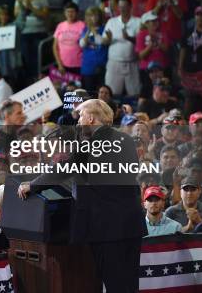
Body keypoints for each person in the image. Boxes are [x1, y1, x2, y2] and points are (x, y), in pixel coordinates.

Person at [18, 99, 146, 292]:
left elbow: (65, 169)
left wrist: (33, 186)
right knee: (129, 284)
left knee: (116, 285)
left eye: (80, 116)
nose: (77, 121)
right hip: (130, 224)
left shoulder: (90, 143)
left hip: (108, 229)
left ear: (91, 118)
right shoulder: (125, 139)